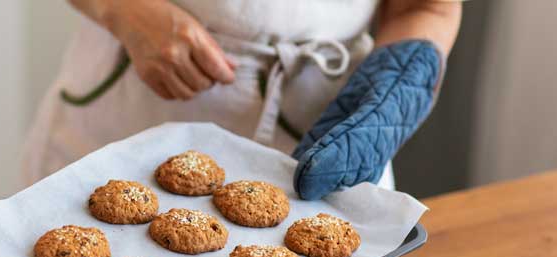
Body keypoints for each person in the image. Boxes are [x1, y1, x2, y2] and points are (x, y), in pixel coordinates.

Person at [23, 0, 461, 199]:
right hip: (128, 113)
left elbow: (425, 7)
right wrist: (124, 9)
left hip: (333, 130)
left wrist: (395, 91)